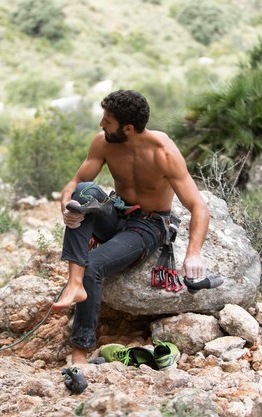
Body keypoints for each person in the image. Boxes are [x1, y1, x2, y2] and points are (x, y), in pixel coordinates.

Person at [51, 90, 210, 364]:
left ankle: (80, 353)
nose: (102, 124)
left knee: (93, 265)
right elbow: (74, 182)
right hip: (117, 212)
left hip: (147, 226)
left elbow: (199, 207)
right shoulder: (104, 143)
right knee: (85, 191)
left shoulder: (163, 152)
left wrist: (193, 253)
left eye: (107, 120)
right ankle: (75, 282)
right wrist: (67, 206)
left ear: (128, 128)